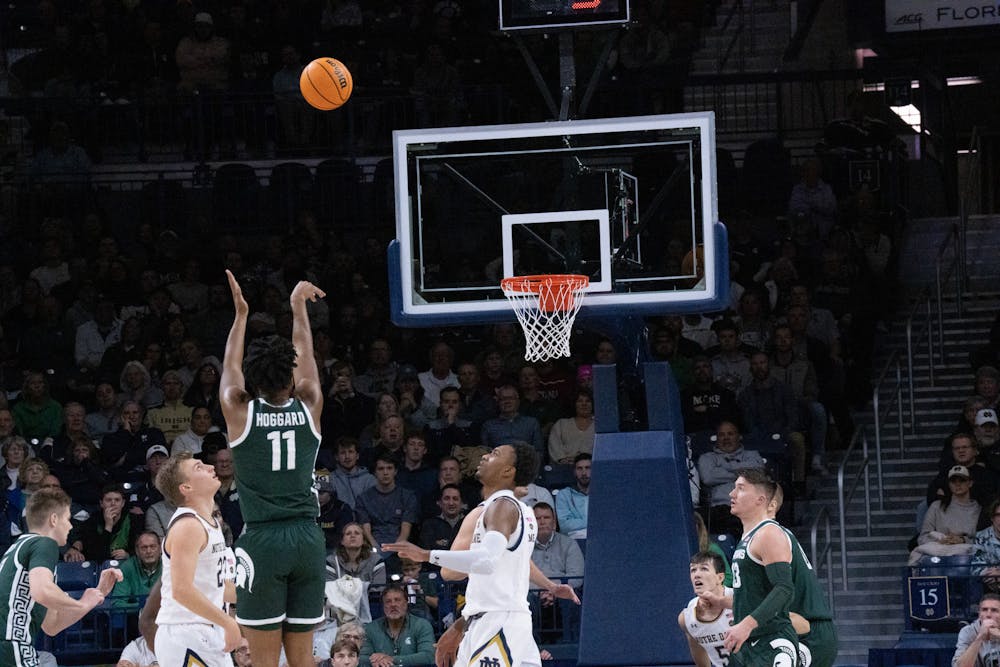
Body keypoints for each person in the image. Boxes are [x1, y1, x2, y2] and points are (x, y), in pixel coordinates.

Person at [220, 270, 327, 667]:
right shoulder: (310, 402)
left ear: (254, 377)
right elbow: (308, 355)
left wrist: (241, 316)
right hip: (308, 539)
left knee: (262, 662)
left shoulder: (238, 409)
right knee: (303, 661)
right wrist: (298, 306)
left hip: (264, 540)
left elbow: (230, 367)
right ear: (291, 373)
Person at [382, 443, 551, 667]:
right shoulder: (517, 509)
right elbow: (500, 572)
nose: (484, 456)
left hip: (498, 622)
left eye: (494, 454)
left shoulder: (503, 506)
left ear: (508, 471)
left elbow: (486, 561)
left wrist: (427, 555)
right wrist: (463, 624)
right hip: (496, 619)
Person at [0, 489, 122, 666]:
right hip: (10, 645)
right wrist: (80, 603)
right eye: (67, 519)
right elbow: (42, 591)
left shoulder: (18, 549)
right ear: (54, 519)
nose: (71, 526)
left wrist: (95, 596)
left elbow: (52, 626)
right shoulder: (43, 543)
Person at [154, 452, 240, 666]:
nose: (211, 467)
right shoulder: (188, 526)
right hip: (185, 631)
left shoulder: (209, 522)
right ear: (186, 488)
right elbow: (182, 590)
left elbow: (216, 586)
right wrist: (228, 622)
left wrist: (258, 599)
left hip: (205, 630)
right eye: (199, 467)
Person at [723, 468, 799, 666]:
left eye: (740, 488)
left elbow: (784, 589)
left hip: (771, 641)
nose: (732, 494)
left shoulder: (768, 533)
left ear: (761, 499)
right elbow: (752, 593)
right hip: (747, 644)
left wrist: (746, 626)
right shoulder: (748, 537)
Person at [697, 422, 765, 538]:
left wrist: (724, 468)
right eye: (722, 435)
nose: (726, 438)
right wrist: (742, 473)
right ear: (716, 438)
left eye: (730, 434)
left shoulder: (752, 455)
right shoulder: (707, 458)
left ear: (739, 436)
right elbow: (708, 478)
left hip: (748, 507)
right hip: (718, 509)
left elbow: (758, 472)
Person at [908, 465, 980, 565]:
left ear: (970, 483)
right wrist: (941, 540)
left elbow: (984, 539)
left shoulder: (978, 509)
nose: (957, 484)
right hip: (937, 555)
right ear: (949, 484)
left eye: (962, 480)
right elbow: (922, 538)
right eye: (953, 481)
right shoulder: (937, 506)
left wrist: (962, 540)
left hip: (966, 556)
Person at [679, 551, 734, 667]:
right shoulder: (687, 618)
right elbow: (699, 653)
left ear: (720, 578)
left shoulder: (739, 598)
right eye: (693, 570)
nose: (697, 575)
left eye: (704, 569)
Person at [359, 584, 435, 667]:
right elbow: (361, 658)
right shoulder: (370, 629)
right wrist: (376, 662)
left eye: (398, 600)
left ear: (406, 602)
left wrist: (392, 659)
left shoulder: (422, 625)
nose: (393, 605)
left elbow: (429, 656)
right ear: (383, 606)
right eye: (388, 601)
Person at [112, 530, 163, 605]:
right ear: (137, 551)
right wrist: (146, 607)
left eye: (153, 547)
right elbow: (117, 603)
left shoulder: (170, 567)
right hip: (135, 616)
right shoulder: (127, 567)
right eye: (144, 548)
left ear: (160, 549)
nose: (148, 551)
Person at [953, 593, 1000, 667]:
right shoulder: (968, 632)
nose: (988, 614)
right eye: (984, 610)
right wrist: (980, 637)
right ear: (979, 614)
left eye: (994, 610)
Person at [555, 453, 591, 538]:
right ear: (574, 471)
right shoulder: (563, 495)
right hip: (572, 543)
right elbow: (565, 525)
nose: (584, 473)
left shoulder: (603, 494)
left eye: (588, 468)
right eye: (579, 468)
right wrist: (594, 522)